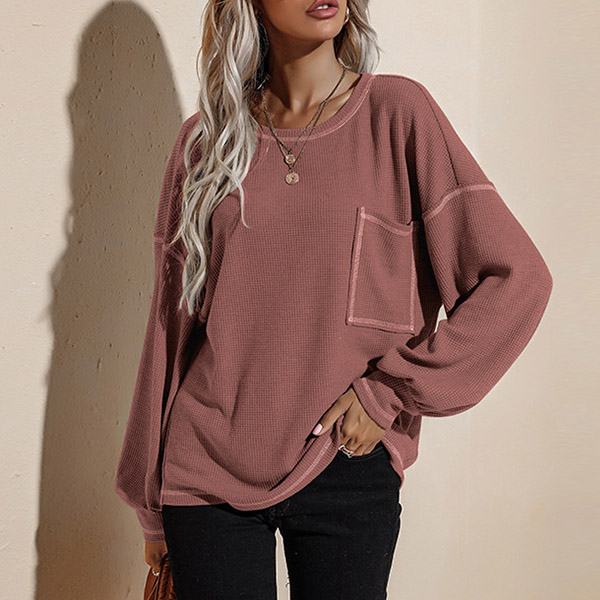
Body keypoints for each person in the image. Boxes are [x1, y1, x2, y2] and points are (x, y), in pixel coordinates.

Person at [114, 1, 553, 598]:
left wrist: (389, 392)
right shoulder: (204, 145)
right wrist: (148, 501)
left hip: (344, 458)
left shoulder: (397, 114)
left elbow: (516, 278)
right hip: (205, 472)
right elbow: (168, 329)